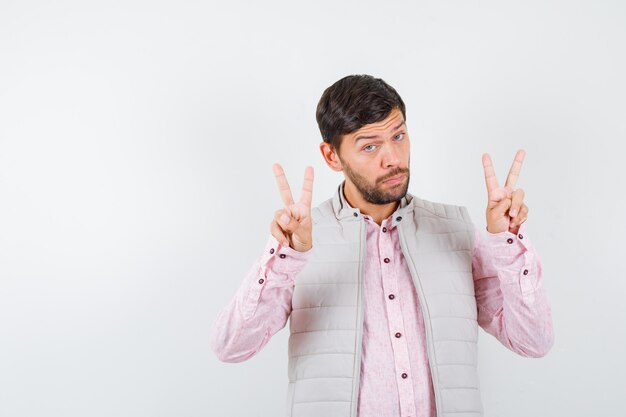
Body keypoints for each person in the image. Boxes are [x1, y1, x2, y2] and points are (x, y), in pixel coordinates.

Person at [210, 74, 554, 417]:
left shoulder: (455, 229)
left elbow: (533, 342)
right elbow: (232, 347)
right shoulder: (301, 240)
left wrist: (506, 241)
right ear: (331, 156)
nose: (393, 158)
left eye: (399, 136)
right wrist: (285, 258)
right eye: (369, 146)